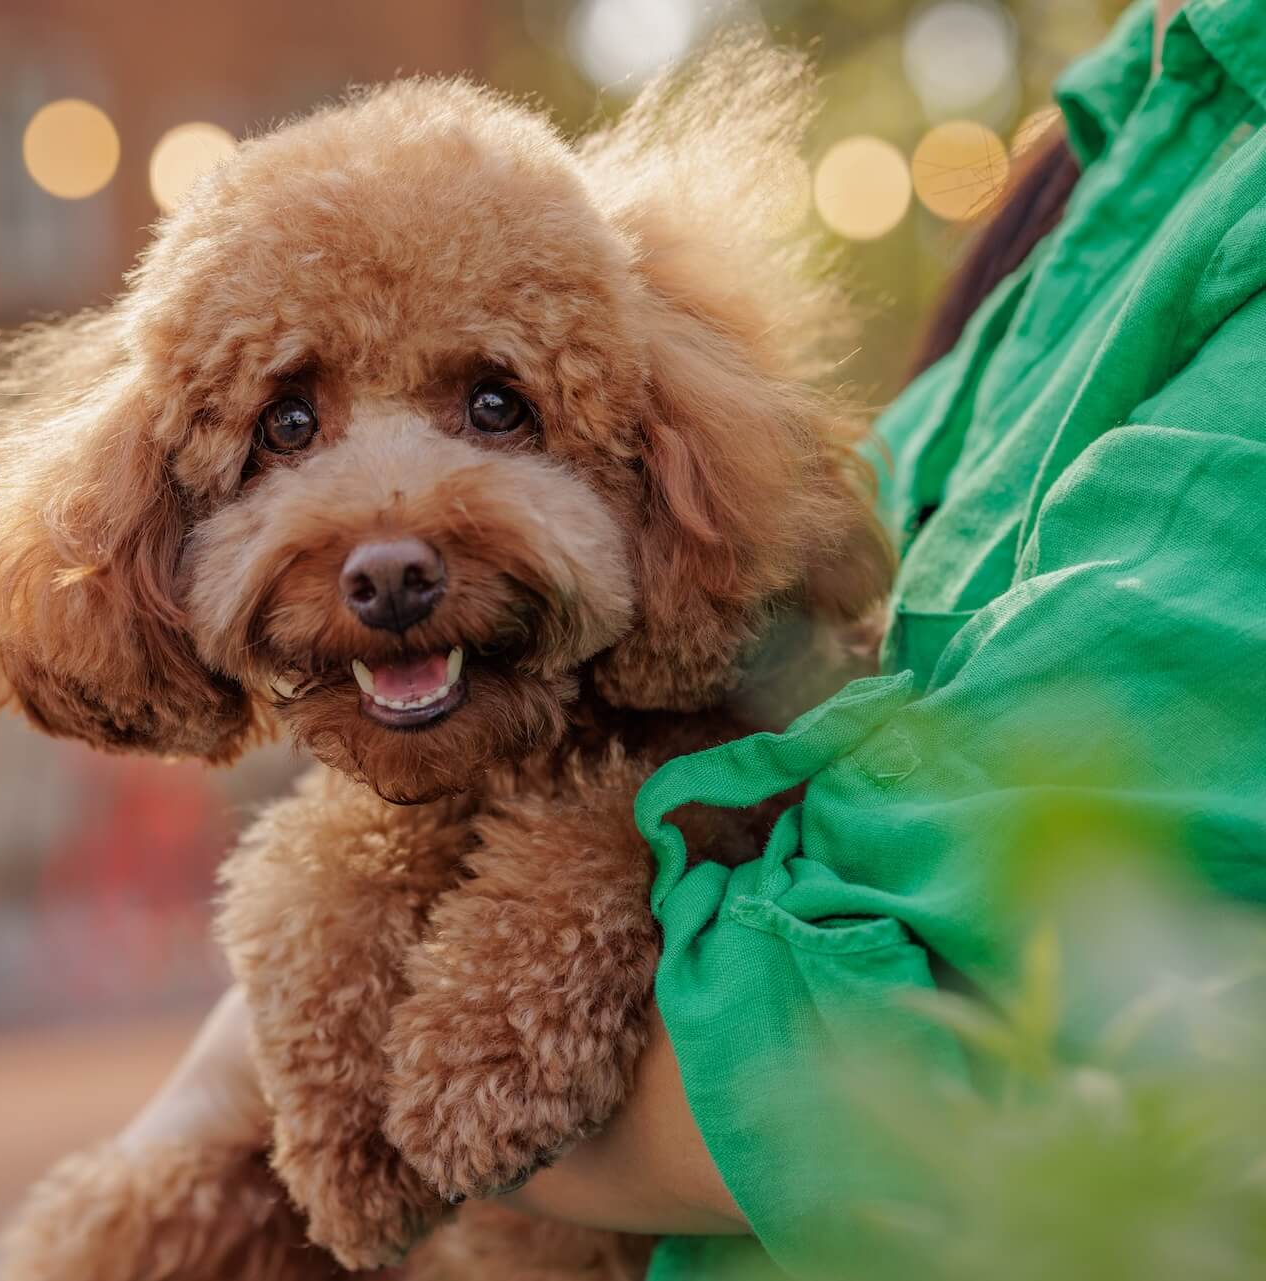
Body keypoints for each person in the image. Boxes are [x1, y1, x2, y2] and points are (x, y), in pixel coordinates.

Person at [115, 0, 1266, 1274]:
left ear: (651, 450)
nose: (388, 548)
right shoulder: (1104, 143)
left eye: (497, 406)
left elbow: (1023, 1030)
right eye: (286, 430)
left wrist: (254, 1072)